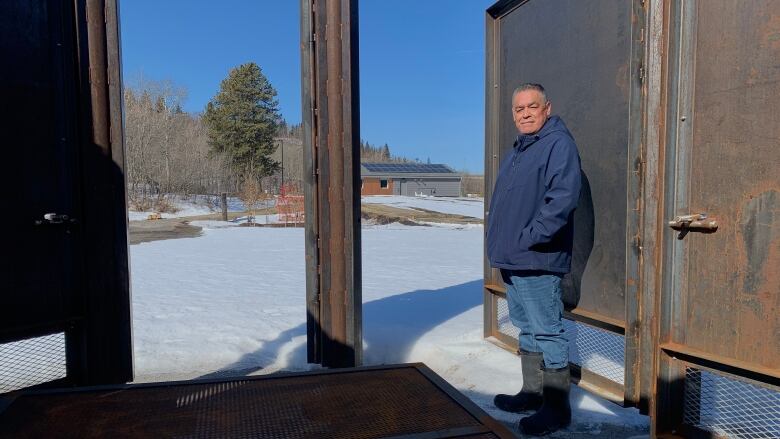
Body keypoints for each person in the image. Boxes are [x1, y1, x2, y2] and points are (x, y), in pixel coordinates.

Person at [486, 83, 581, 436]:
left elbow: (562, 199)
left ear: (547, 108)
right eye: (518, 108)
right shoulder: (518, 151)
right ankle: (532, 392)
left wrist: (530, 238)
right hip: (514, 257)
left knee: (547, 330)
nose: (524, 113)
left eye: (532, 106)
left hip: (537, 258)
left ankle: (557, 408)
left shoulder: (558, 145)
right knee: (526, 326)